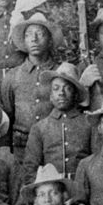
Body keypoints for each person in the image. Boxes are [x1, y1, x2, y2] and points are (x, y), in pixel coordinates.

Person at [0, 12, 64, 162]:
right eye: (29, 35)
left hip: (54, 147)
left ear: (49, 40)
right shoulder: (12, 76)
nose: (34, 39)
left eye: (40, 34)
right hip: (22, 150)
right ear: (24, 40)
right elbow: (6, 118)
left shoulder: (61, 73)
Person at [21, 62, 92, 192]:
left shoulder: (89, 124)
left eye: (67, 88)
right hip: (51, 193)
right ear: (50, 95)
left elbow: (96, 166)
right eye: (56, 88)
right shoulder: (40, 128)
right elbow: (30, 169)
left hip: (82, 190)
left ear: (75, 94)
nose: (61, 93)